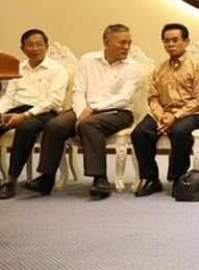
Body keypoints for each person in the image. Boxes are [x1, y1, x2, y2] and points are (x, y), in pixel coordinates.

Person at [25, 24, 140, 199]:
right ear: (106, 42)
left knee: (89, 124)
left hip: (117, 112)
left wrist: (92, 110)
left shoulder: (132, 66)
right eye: (122, 42)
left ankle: (100, 179)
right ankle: (46, 179)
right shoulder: (87, 60)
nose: (126, 47)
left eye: (129, 43)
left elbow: (124, 98)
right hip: (83, 109)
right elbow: (78, 90)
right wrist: (80, 115)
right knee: (55, 125)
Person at [129, 23, 199, 197]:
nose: (170, 44)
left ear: (186, 42)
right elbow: (153, 97)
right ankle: (150, 178)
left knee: (180, 131)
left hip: (192, 113)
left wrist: (175, 116)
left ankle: (177, 178)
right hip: (163, 113)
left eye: (175, 40)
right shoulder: (159, 69)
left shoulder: (198, 67)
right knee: (140, 132)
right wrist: (161, 116)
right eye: (166, 41)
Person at [0, 29, 68, 200]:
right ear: (22, 48)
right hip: (18, 109)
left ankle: (10, 180)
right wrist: (1, 112)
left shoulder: (57, 69)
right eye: (30, 45)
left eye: (39, 44)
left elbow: (54, 100)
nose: (35, 48)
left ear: (47, 46)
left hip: (45, 112)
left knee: (25, 127)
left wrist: (25, 115)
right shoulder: (18, 68)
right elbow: (8, 97)